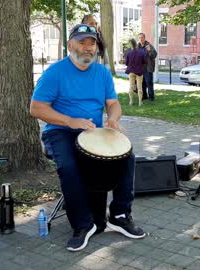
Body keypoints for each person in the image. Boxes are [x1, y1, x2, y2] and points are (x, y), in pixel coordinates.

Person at [30, 24, 145, 252]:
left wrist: (112, 119)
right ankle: (83, 225)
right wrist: (70, 121)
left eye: (91, 43)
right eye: (81, 42)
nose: (87, 48)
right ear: (70, 44)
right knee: (70, 167)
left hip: (93, 131)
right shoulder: (55, 72)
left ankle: (120, 215)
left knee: (127, 157)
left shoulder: (102, 73)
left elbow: (113, 104)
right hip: (59, 131)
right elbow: (36, 108)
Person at [125, 38, 146, 106]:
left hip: (131, 71)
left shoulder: (129, 53)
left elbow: (126, 63)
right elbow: (144, 62)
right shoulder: (141, 52)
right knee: (139, 87)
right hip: (139, 71)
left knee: (131, 86)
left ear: (130, 44)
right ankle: (140, 102)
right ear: (136, 44)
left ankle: (131, 102)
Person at [137, 33, 157, 101]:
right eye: (139, 38)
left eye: (142, 37)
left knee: (149, 82)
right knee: (142, 83)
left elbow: (154, 55)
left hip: (148, 67)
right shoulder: (137, 46)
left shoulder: (149, 45)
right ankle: (144, 96)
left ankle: (151, 97)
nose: (141, 39)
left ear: (144, 38)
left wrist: (149, 50)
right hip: (140, 68)